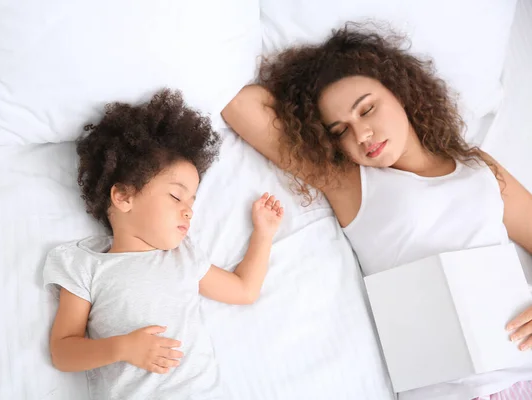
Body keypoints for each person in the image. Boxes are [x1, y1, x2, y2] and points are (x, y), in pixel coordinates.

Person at [222, 24, 532, 400]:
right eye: (340, 130)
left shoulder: (478, 167)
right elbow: (241, 105)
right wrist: (306, 100)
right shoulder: (349, 183)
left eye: (367, 109)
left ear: (400, 92)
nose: (362, 135)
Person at [43, 89, 284, 399]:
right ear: (124, 197)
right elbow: (63, 352)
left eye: (192, 201)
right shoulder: (86, 265)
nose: (188, 210)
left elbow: (244, 290)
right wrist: (121, 348)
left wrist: (263, 234)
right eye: (175, 196)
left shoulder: (182, 257)